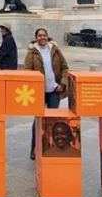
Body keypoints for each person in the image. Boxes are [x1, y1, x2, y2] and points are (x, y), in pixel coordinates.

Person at [24, 28, 69, 160]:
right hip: (39, 92)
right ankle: (35, 148)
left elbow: (65, 67)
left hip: (54, 90)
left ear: (47, 37)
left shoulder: (55, 50)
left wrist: (62, 84)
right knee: (37, 120)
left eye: (44, 35)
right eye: (39, 35)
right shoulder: (32, 52)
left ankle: (51, 146)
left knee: (53, 120)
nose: (42, 37)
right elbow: (27, 71)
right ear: (36, 37)